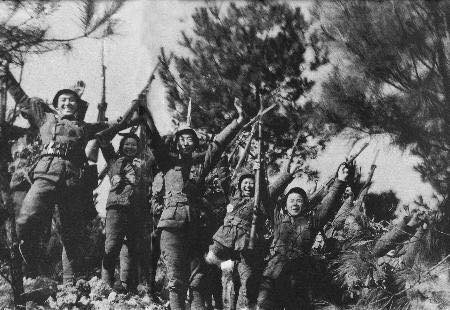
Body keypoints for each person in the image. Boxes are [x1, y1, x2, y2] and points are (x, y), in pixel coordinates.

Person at [0, 64, 115, 284]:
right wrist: (7, 78)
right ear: (56, 104)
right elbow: (23, 100)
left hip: (73, 181)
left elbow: (111, 127)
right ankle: (25, 251)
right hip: (46, 173)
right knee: (26, 216)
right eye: (63, 100)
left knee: (71, 234)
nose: (67, 103)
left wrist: (131, 113)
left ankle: (69, 287)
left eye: (71, 100)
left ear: (78, 105)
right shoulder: (45, 119)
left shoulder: (85, 126)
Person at [150, 98, 246, 310]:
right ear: (176, 142)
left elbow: (218, 145)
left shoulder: (200, 166)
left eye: (190, 139)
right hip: (171, 227)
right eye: (182, 139)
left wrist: (237, 121)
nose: (186, 142)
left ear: (195, 143)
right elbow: (154, 140)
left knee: (197, 280)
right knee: (176, 280)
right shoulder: (167, 163)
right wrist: (144, 114)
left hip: (195, 228)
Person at [205, 161, 301, 310]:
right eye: (245, 183)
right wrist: (221, 160)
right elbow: (224, 179)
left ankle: (247, 307)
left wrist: (270, 173)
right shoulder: (233, 197)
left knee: (248, 282)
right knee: (210, 257)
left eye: (251, 183)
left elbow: (272, 188)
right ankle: (223, 270)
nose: (248, 186)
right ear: (240, 185)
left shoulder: (261, 201)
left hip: (246, 246)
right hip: (225, 239)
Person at [256, 164, 351, 310]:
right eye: (291, 200)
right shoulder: (277, 218)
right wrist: (261, 173)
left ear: (305, 205)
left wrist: (340, 181)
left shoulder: (313, 222)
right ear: (285, 205)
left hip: (299, 278)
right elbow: (265, 196)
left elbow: (329, 203)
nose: (295, 204)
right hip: (273, 274)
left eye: (299, 200)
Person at [99, 132, 152, 292]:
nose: (130, 147)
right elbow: (103, 140)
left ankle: (127, 287)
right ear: (122, 146)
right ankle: (105, 287)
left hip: (136, 210)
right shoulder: (114, 160)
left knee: (132, 247)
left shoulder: (144, 164)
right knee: (112, 245)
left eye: (134, 145)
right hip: (116, 207)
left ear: (138, 148)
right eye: (127, 144)